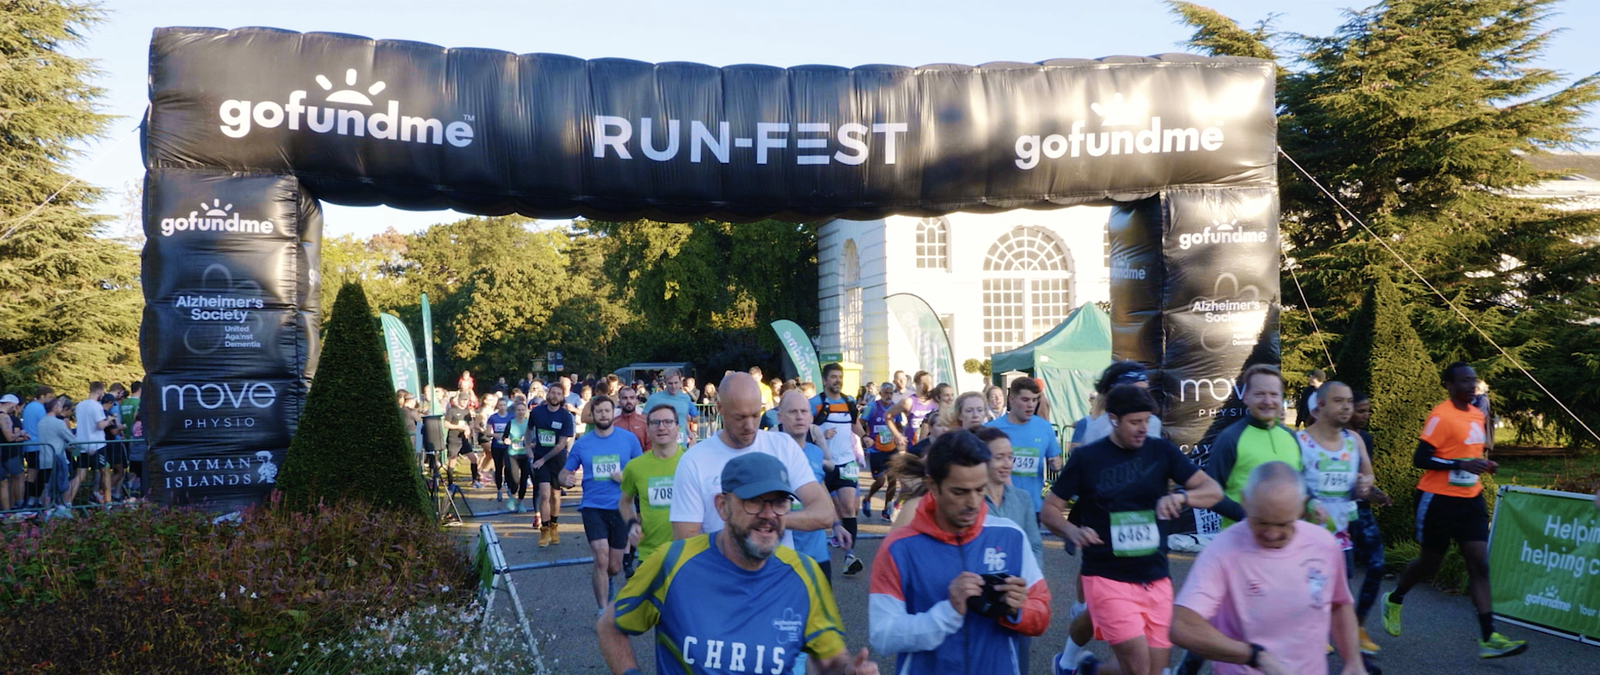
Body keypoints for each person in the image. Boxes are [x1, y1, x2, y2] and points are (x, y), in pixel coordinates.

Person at [601, 452, 878, 675]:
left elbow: (830, 661)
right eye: (754, 501)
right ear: (722, 506)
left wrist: (848, 671)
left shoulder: (803, 573)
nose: (768, 515)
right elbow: (609, 626)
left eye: (780, 502)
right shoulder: (673, 562)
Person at [1042, 385, 1224, 675]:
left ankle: (1090, 670)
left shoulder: (1161, 451)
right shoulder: (1087, 458)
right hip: (1106, 575)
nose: (1143, 428)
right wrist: (1071, 532)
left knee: (1153, 669)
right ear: (1114, 419)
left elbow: (1212, 490)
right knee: (1139, 666)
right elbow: (1050, 509)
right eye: (1135, 422)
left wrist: (1181, 497)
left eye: (1147, 421)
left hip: (1155, 576)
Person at [869, 429, 1051, 674]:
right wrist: (948, 612)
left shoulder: (1011, 536)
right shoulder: (898, 547)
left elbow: (1041, 614)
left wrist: (1018, 609)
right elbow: (882, 636)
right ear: (933, 485)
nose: (973, 502)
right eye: (960, 492)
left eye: (979, 489)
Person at [1381, 362, 1527, 659]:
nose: (1470, 385)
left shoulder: (1477, 413)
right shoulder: (1441, 415)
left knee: (1478, 563)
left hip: (1470, 498)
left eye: (1473, 380)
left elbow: (1470, 455)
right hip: (1437, 498)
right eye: (1463, 381)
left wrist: (1484, 465)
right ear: (1448, 385)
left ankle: (1489, 637)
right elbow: (1420, 458)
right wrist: (1458, 464)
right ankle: (1395, 598)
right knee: (1430, 562)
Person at [1170, 461, 1366, 675]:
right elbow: (1182, 625)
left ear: (1301, 506)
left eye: (1283, 524)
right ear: (1245, 501)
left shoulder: (1323, 545)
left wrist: (1353, 660)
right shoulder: (1222, 551)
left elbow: (1339, 605)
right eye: (1261, 522)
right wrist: (1255, 656)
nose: (1272, 534)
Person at [669, 373, 850, 556]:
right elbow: (685, 539)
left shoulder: (784, 447)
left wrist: (766, 521)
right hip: (722, 578)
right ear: (720, 408)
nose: (749, 426)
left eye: (756, 415)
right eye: (740, 418)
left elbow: (824, 513)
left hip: (778, 577)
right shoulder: (694, 461)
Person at [1297, 381, 1388, 661]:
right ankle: (1309, 637)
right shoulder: (1299, 441)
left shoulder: (1354, 440)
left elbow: (1367, 473)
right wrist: (1307, 501)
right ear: (1320, 405)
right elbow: (1287, 481)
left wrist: (1366, 486)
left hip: (1340, 533)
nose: (1347, 406)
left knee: (1341, 588)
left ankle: (1346, 647)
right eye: (1339, 401)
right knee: (1307, 586)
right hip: (1305, 534)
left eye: (1349, 400)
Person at [561, 395, 644, 611]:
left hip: (620, 507)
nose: (604, 415)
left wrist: (625, 477)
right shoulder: (582, 444)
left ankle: (609, 581)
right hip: (592, 506)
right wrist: (566, 480)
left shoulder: (628, 440)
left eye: (607, 411)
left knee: (614, 566)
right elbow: (564, 473)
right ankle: (603, 610)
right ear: (593, 415)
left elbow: (641, 472)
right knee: (600, 556)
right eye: (599, 411)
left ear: (613, 412)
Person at [1204, 364, 1302, 529]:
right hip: (1240, 542)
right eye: (1259, 394)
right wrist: (1252, 517)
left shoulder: (1291, 437)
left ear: (1281, 398)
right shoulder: (1230, 438)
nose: (1267, 401)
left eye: (1273, 394)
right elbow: (1210, 494)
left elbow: (1303, 482)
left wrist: (1313, 504)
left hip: (1286, 541)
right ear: (1246, 397)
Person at [619, 403, 686, 577]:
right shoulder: (635, 467)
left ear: (677, 427)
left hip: (687, 552)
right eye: (655, 423)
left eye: (667, 422)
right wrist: (632, 524)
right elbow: (625, 502)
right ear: (647, 429)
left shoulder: (691, 461)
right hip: (650, 553)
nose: (661, 427)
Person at [813, 362, 867, 576]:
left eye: (840, 377)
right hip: (821, 462)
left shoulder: (849, 401)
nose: (837, 380)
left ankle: (849, 556)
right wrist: (817, 435)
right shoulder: (815, 403)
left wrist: (865, 437)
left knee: (849, 507)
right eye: (833, 377)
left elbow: (855, 424)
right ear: (825, 380)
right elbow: (803, 427)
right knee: (822, 508)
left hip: (846, 462)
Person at [777, 388, 834, 580]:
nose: (799, 417)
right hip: (784, 555)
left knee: (822, 609)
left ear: (811, 417)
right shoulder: (771, 452)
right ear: (780, 417)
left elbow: (820, 486)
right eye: (793, 412)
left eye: (804, 412)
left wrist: (837, 523)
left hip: (817, 554)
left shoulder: (816, 452)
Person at [984, 377, 1062, 513]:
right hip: (998, 508)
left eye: (1034, 400)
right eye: (1025, 400)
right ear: (1012, 400)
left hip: (1032, 508)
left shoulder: (1044, 427)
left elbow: (1056, 462)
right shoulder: (991, 430)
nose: (1031, 405)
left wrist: (1056, 465)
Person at [1070, 361, 1164, 451]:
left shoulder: (1154, 423)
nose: (1143, 397)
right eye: (1137, 391)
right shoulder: (1097, 430)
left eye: (1146, 391)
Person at [530, 383, 576, 547]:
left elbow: (561, 444)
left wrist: (545, 459)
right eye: (553, 393)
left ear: (563, 397)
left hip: (557, 459)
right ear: (548, 395)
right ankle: (545, 529)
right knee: (544, 494)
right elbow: (529, 430)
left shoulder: (565, 416)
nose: (555, 396)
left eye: (559, 394)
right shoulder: (536, 412)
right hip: (540, 458)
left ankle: (554, 525)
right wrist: (528, 447)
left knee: (555, 496)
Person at [860, 382, 904, 522]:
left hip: (892, 449)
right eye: (886, 393)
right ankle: (867, 498)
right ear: (880, 393)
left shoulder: (895, 408)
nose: (888, 396)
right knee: (880, 480)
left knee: (892, 480)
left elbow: (898, 425)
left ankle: (886, 510)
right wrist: (865, 437)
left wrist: (899, 437)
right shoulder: (872, 407)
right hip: (876, 450)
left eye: (891, 393)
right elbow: (860, 422)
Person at [72, 384, 112, 504]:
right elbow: (99, 426)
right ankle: (108, 501)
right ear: (99, 391)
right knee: (105, 471)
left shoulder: (79, 405)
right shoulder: (97, 406)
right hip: (97, 444)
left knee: (79, 475)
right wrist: (109, 420)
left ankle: (68, 502)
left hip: (81, 443)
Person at [644, 368, 700, 446]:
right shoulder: (654, 398)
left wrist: (690, 434)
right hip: (662, 443)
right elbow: (643, 419)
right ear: (665, 383)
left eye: (676, 383)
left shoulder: (685, 398)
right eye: (670, 383)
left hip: (681, 443)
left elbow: (683, 418)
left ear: (680, 382)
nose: (673, 386)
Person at [20, 386, 55, 508]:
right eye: (49, 397)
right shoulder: (40, 408)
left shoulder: (29, 406)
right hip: (37, 444)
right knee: (37, 474)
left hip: (28, 444)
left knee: (31, 473)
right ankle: (31, 500)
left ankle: (27, 500)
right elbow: (45, 425)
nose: (50, 400)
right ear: (43, 395)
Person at [886, 371, 938, 448]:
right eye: (925, 383)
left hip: (933, 447)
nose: (929, 386)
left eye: (930, 383)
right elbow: (887, 415)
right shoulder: (909, 401)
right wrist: (897, 435)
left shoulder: (936, 400)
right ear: (917, 385)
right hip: (914, 447)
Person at [502, 402, 534, 514]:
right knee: (515, 479)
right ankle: (512, 496)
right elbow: (504, 437)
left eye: (522, 410)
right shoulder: (511, 423)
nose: (521, 412)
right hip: (513, 454)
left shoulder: (529, 424)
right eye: (518, 410)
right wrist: (507, 441)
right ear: (515, 412)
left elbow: (534, 439)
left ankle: (520, 502)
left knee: (524, 480)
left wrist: (530, 444)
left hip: (525, 455)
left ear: (525, 412)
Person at [0, 394, 29, 511]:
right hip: (5, 453)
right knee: (4, 483)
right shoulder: (4, 417)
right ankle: (7, 513)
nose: (15, 409)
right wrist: (21, 433)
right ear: (10, 404)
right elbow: (10, 438)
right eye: (15, 406)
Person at [485, 397, 512, 501]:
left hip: (507, 446)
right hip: (496, 446)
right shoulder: (493, 418)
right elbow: (487, 432)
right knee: (498, 467)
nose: (502, 407)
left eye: (504, 405)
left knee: (508, 467)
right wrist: (494, 434)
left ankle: (509, 487)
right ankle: (499, 489)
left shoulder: (511, 417)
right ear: (497, 406)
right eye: (500, 405)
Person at [613, 385, 649, 449]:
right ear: (619, 401)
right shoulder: (613, 424)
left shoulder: (646, 422)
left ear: (636, 400)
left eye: (632, 398)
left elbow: (650, 446)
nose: (629, 401)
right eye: (625, 398)